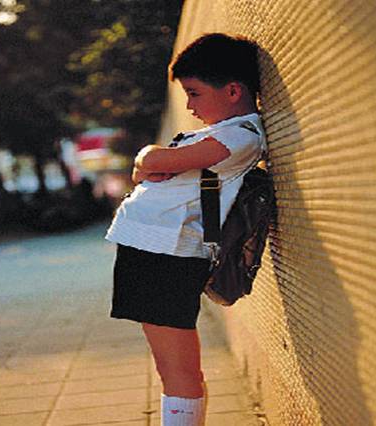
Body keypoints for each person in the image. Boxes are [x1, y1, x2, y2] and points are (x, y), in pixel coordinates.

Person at [105, 33, 267, 426]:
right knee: (171, 367)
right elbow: (147, 168)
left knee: (178, 370)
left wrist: (149, 157)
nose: (190, 106)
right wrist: (151, 161)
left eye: (194, 93)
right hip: (153, 250)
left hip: (167, 254)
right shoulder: (219, 132)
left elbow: (152, 161)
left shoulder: (240, 136)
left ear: (233, 91)